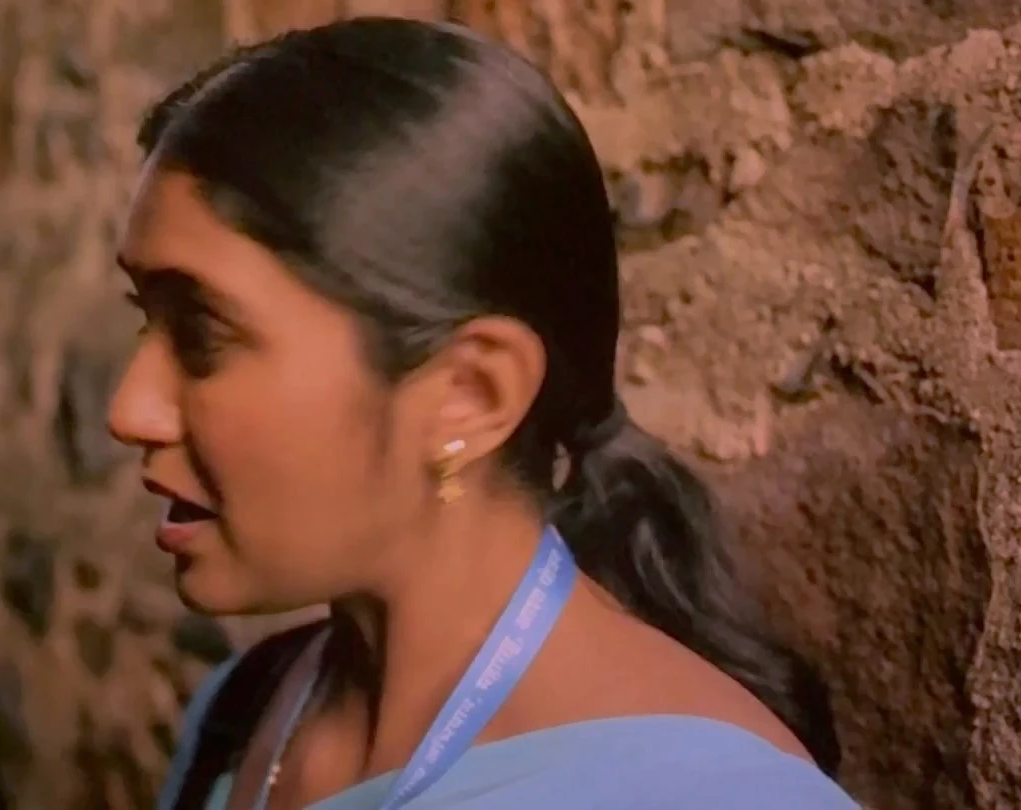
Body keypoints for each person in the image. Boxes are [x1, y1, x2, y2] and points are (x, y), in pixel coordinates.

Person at [107, 17, 859, 810]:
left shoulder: (702, 796)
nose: (128, 410)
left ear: (471, 393)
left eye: (202, 334)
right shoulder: (243, 711)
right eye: (143, 321)